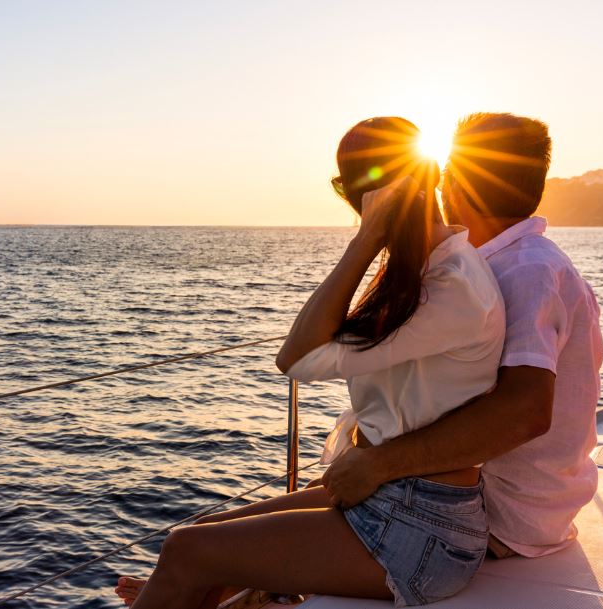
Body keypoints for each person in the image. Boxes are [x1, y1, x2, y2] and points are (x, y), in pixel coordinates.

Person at [114, 116, 507, 608]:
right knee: (203, 534)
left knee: (186, 551)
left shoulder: (451, 285)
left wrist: (365, 239)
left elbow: (296, 357)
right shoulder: (423, 269)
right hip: (392, 499)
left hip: (424, 530)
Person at [318, 113, 603, 560]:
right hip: (482, 498)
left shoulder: (527, 271)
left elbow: (525, 412)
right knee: (227, 537)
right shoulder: (510, 263)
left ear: (455, 182)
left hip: (495, 514)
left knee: (212, 552)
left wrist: (379, 464)